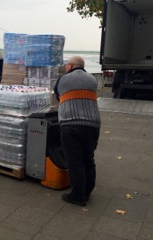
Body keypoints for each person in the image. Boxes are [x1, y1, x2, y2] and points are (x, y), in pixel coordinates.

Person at [53, 56, 101, 206]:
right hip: (93, 125)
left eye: (67, 65)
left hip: (70, 124)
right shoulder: (92, 80)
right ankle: (87, 192)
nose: (66, 67)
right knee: (88, 159)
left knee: (75, 162)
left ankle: (78, 196)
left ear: (71, 66)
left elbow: (58, 95)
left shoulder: (63, 79)